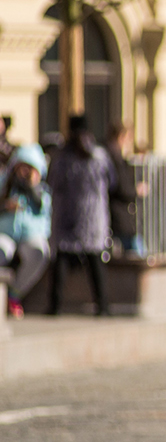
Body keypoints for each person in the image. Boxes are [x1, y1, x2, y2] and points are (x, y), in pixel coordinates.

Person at [48, 115, 116, 315]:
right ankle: (102, 305)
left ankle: (55, 306)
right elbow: (112, 182)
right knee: (95, 260)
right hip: (93, 216)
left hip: (66, 214)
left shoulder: (61, 157)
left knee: (61, 258)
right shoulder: (99, 155)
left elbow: (52, 182)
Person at [0, 143, 52, 316]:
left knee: (39, 252)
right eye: (21, 167)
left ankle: (14, 293)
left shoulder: (40, 190)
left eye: (28, 168)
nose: (23, 172)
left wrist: (31, 188)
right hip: (6, 232)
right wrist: (5, 206)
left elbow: (45, 210)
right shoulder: (5, 183)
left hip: (30, 234)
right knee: (1, 250)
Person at [106, 121, 145, 257]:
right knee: (135, 252)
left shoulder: (114, 157)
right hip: (120, 214)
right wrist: (137, 191)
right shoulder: (114, 159)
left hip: (119, 214)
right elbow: (121, 187)